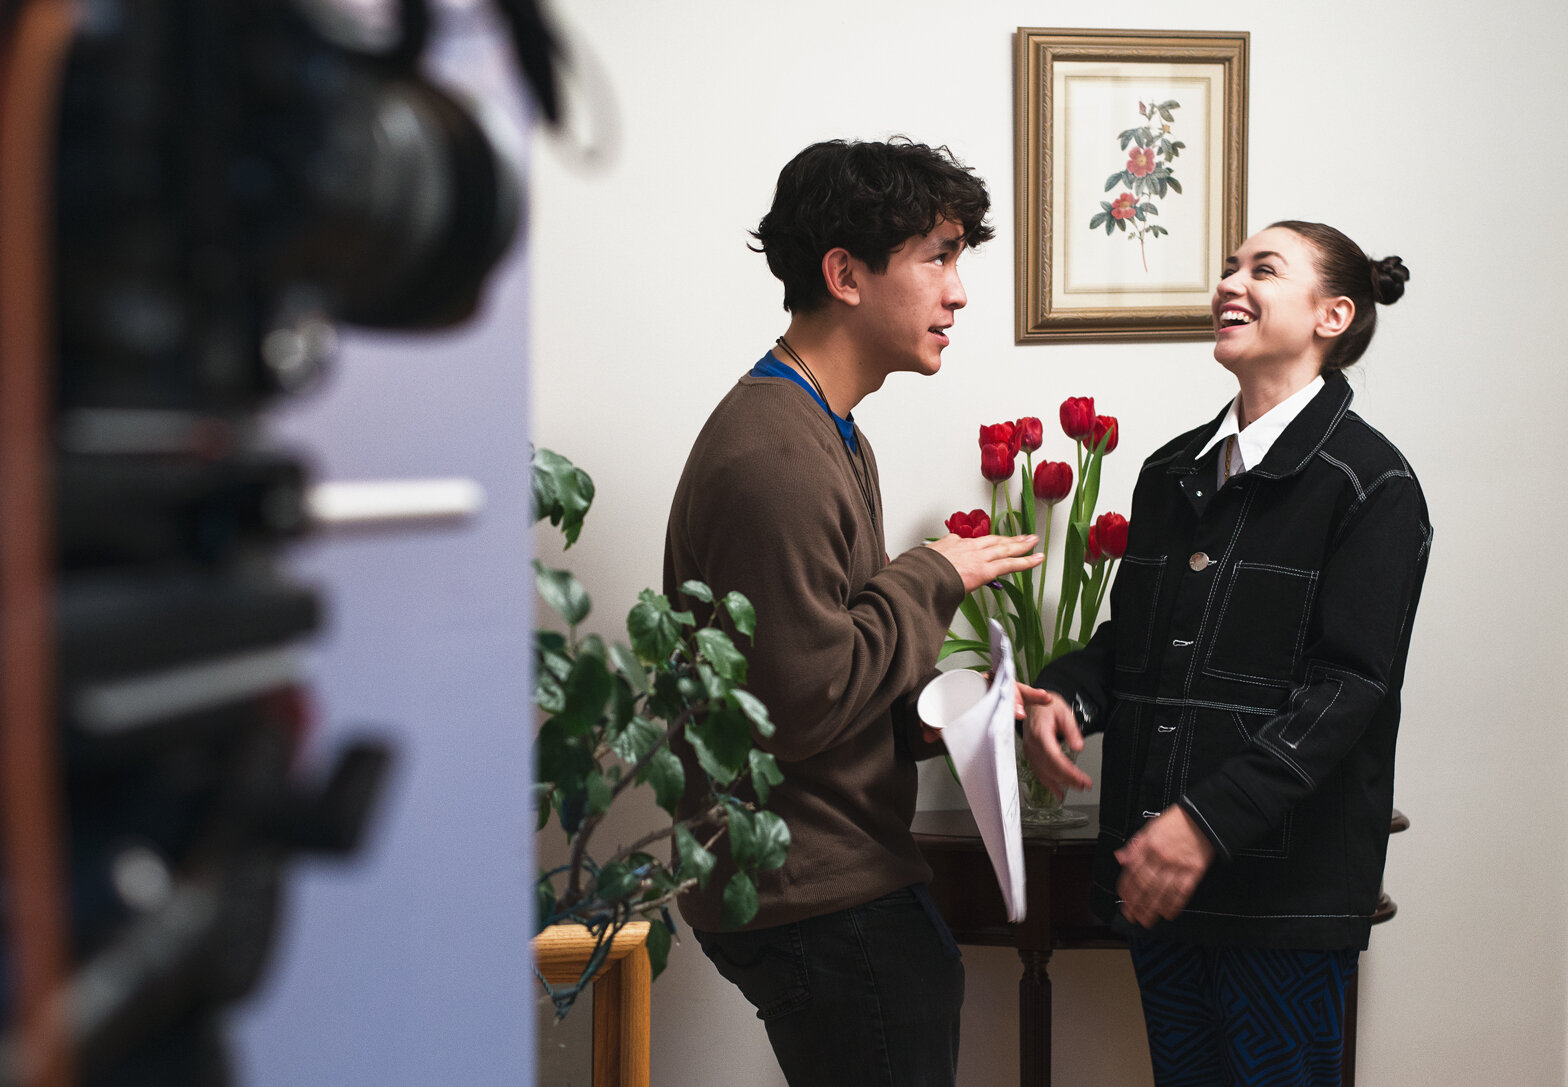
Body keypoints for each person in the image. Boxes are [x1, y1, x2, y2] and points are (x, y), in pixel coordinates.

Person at [663, 138, 1042, 1087]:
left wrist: (972, 711)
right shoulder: (774, 455)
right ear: (845, 274)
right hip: (817, 894)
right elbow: (804, 701)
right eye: (938, 256)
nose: (959, 292)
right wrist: (933, 573)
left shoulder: (831, 431)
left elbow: (832, 660)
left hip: (842, 881)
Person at [1022, 221, 1431, 1086]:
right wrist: (1067, 698)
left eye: (1264, 270)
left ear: (1333, 315)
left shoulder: (1372, 484)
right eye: (1228, 268)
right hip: (1163, 891)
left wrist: (1204, 821)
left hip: (1284, 897)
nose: (1230, 283)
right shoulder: (1171, 471)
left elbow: (1346, 691)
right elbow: (1127, 643)